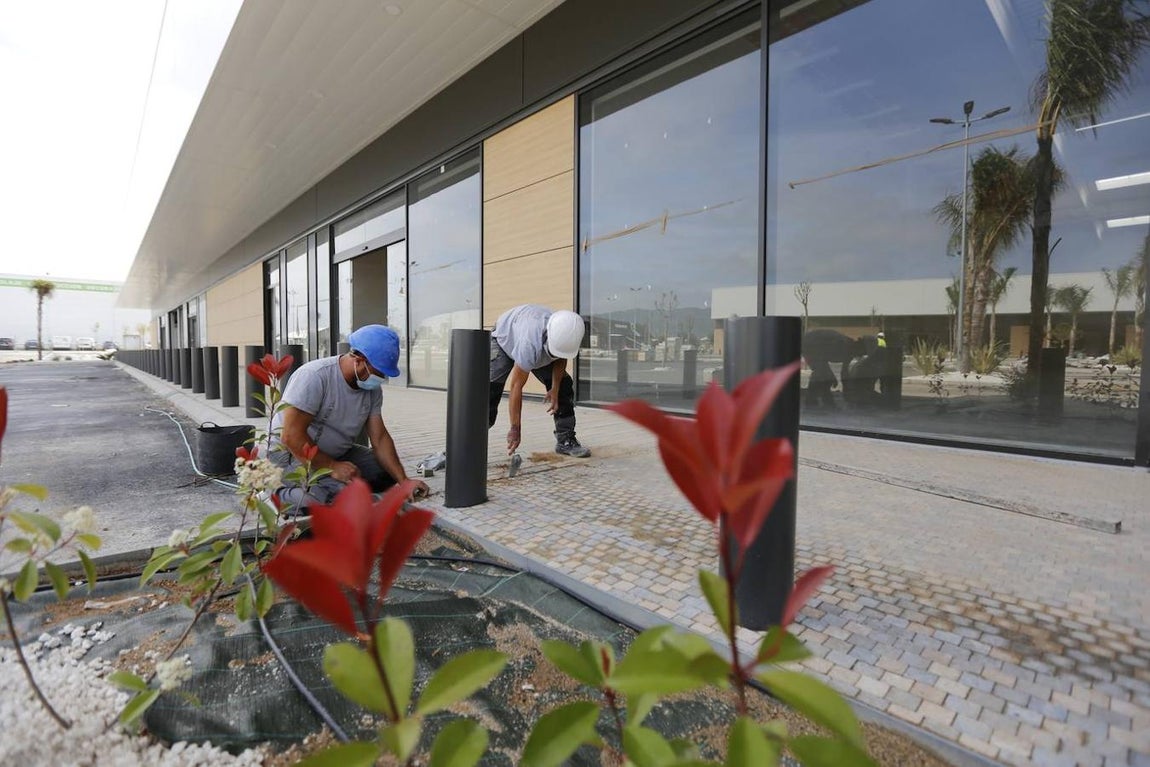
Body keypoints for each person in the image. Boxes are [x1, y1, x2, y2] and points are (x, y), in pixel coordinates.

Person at [269, 324, 430, 510]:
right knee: (330, 499)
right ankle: (273, 492)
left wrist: (403, 481)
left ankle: (332, 487)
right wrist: (332, 466)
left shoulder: (372, 391)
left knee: (385, 472)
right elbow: (291, 436)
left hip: (334, 453)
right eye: (378, 372)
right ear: (358, 359)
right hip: (287, 453)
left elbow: (379, 438)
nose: (380, 378)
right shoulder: (314, 377)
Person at [489, 304, 591, 458]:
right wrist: (515, 428)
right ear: (548, 337)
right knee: (489, 392)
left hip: (531, 336)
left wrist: (555, 389)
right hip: (504, 338)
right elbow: (516, 386)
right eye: (551, 351)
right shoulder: (530, 344)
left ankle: (565, 440)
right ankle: (468, 441)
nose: (552, 356)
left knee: (564, 385)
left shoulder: (566, 332)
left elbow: (560, 358)